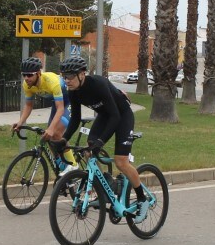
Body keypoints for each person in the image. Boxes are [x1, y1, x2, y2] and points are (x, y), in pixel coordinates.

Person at [57, 55, 152, 220]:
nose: (67, 80)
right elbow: (75, 119)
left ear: (82, 74)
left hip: (122, 115)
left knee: (121, 161)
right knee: (89, 150)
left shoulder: (98, 84)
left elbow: (115, 116)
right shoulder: (73, 91)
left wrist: (101, 142)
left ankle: (142, 199)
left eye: (71, 76)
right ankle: (106, 187)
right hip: (104, 116)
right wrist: (64, 139)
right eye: (64, 77)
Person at [12, 57, 75, 172]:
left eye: (30, 75)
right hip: (57, 104)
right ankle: (64, 169)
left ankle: (74, 166)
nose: (26, 78)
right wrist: (20, 122)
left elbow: (61, 109)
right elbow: (29, 106)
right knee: (49, 137)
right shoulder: (27, 85)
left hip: (69, 102)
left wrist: (51, 129)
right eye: (24, 75)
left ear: (38, 73)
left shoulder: (52, 82)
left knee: (56, 133)